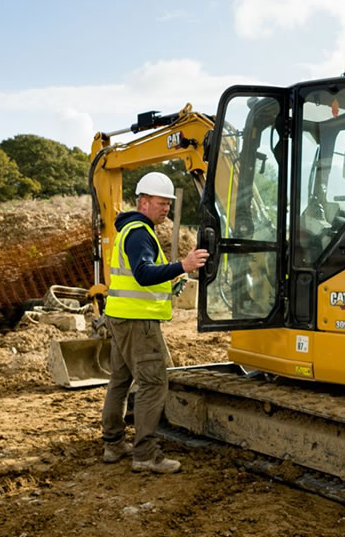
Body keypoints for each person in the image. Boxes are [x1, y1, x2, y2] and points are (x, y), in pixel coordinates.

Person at [100, 171, 209, 473]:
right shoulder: (139, 233)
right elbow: (143, 273)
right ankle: (145, 454)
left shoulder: (128, 230)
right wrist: (183, 265)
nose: (166, 209)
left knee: (120, 380)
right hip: (139, 322)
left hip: (121, 317)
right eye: (162, 203)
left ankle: (113, 443)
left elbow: (143, 277)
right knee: (153, 383)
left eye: (168, 204)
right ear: (144, 201)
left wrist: (169, 277)